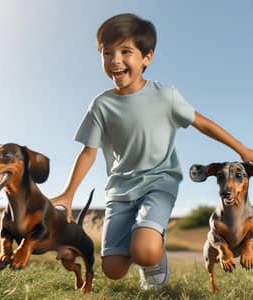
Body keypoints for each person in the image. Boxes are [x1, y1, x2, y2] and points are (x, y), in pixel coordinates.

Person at [51, 13, 253, 290]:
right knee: (112, 269)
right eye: (106, 53)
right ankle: (146, 240)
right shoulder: (100, 105)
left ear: (147, 57)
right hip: (120, 190)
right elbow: (88, 152)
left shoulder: (165, 95)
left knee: (145, 250)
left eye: (125, 51)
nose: (115, 60)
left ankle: (152, 253)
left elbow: (202, 123)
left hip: (159, 183)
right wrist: (69, 192)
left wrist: (241, 148)